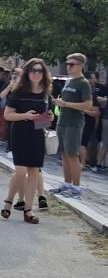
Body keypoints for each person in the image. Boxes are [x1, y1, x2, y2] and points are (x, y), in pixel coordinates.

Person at [1, 58, 53, 224]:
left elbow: (44, 119)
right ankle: (9, 201)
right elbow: (7, 115)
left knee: (34, 172)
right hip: (20, 133)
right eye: (33, 70)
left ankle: (28, 210)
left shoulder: (46, 93)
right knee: (21, 170)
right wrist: (25, 116)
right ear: (27, 73)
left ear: (44, 74)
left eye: (40, 71)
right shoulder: (19, 92)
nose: (36, 74)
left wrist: (49, 118)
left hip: (37, 134)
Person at [50, 53, 93, 199]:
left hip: (74, 123)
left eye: (72, 64)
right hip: (63, 121)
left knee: (73, 155)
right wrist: (59, 102)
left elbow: (88, 106)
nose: (68, 66)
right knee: (64, 154)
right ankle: (67, 184)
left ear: (81, 65)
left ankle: (76, 188)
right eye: (67, 64)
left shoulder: (83, 83)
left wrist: (66, 104)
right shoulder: (69, 81)